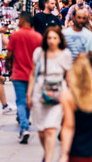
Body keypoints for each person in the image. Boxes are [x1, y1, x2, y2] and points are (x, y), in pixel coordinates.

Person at [28, 27, 72, 162]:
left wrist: (70, 95)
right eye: (49, 38)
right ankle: (47, 152)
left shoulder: (65, 54)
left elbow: (69, 76)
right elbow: (32, 73)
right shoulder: (39, 52)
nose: (52, 41)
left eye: (55, 38)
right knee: (41, 131)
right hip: (40, 91)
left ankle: (48, 158)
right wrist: (29, 94)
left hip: (58, 92)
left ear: (60, 40)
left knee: (51, 129)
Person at [6, 12, 42, 144]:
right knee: (28, 101)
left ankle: (24, 127)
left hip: (18, 73)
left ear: (22, 20)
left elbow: (9, 54)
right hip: (34, 75)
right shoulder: (38, 37)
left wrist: (8, 66)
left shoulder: (16, 35)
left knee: (20, 101)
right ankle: (25, 125)